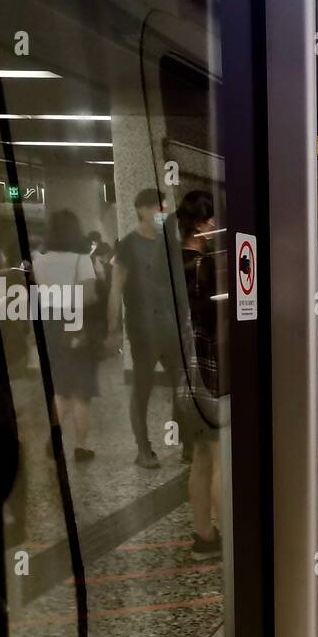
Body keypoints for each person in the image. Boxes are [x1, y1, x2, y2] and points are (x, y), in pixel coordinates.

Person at [109, 187, 180, 469]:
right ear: (142, 210)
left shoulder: (168, 243)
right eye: (158, 208)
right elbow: (115, 289)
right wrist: (112, 328)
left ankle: (185, 441)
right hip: (142, 328)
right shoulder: (127, 245)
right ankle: (143, 449)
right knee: (143, 387)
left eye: (164, 208)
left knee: (183, 384)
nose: (162, 213)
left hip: (170, 325)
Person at [173, 191, 225, 560]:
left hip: (185, 372)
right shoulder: (202, 267)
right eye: (209, 222)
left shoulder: (172, 264)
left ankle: (204, 536)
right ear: (197, 223)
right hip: (209, 370)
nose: (213, 227)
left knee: (203, 458)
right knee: (221, 457)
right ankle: (231, 535)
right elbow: (214, 321)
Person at [33, 209, 98, 462]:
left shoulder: (39, 261)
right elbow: (89, 295)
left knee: (60, 388)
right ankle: (81, 447)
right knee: (82, 391)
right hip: (75, 323)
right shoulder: (81, 259)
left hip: (49, 324)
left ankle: (54, 436)